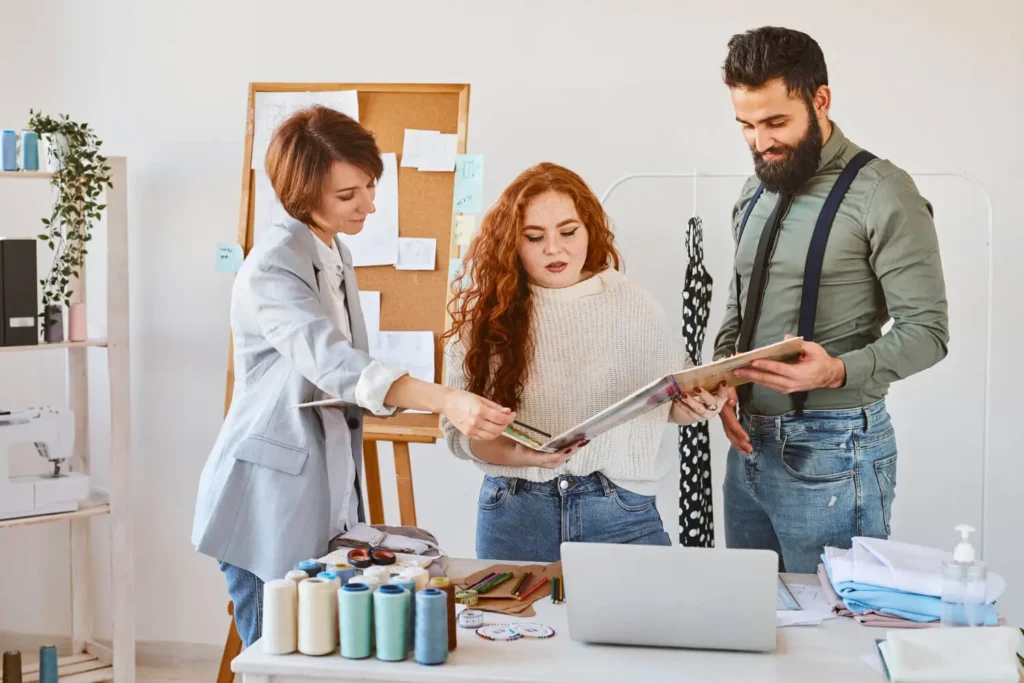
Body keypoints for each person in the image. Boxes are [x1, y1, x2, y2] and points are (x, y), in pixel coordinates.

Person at [191, 106, 515, 647]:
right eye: (348, 195)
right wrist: (447, 400)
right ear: (301, 194)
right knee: (278, 663)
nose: (368, 204)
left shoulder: (332, 250)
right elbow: (335, 364)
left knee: (322, 655)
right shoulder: (274, 266)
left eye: (368, 185)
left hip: (321, 493)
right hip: (265, 500)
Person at [713, 27, 949, 573]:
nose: (761, 142)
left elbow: (929, 332)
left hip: (834, 452)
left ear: (820, 100)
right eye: (747, 126)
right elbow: (738, 303)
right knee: (755, 624)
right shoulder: (753, 190)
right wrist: (721, 380)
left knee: (838, 635)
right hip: (747, 446)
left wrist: (836, 371)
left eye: (776, 123)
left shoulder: (885, 192)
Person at [441, 162, 729, 562]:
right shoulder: (485, 319)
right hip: (516, 510)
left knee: (645, 625)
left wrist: (699, 408)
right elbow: (460, 437)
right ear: (511, 243)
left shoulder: (635, 306)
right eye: (534, 237)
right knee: (513, 626)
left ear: (589, 229)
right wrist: (524, 456)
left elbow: (666, 409)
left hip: (620, 511)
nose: (554, 248)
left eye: (568, 231)